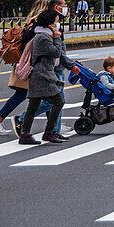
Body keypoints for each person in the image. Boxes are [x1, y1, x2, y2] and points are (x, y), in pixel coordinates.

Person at [18, 9, 80, 145]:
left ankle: (25, 134)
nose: (57, 24)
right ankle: (48, 132)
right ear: (50, 23)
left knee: (33, 105)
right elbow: (56, 53)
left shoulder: (43, 35)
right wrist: (57, 38)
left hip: (40, 74)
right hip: (42, 75)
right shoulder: (43, 37)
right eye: (56, 21)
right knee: (58, 101)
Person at [0, 1, 47, 136]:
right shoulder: (36, 26)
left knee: (40, 95)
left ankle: (55, 125)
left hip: (23, 64)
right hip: (28, 66)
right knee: (41, 94)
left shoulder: (29, 24)